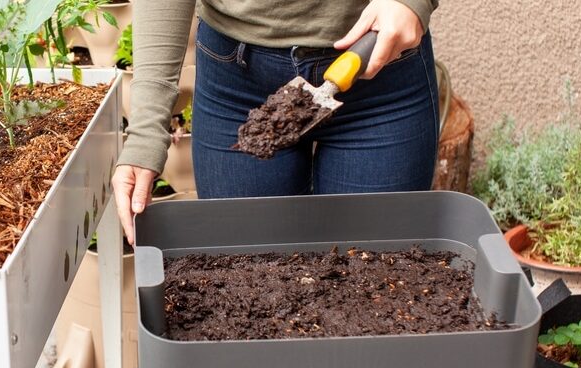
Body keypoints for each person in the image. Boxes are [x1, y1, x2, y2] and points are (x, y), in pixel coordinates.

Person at [113, 0, 440, 244]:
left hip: (378, 68)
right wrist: (146, 130)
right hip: (237, 81)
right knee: (247, 285)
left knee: (373, 284)